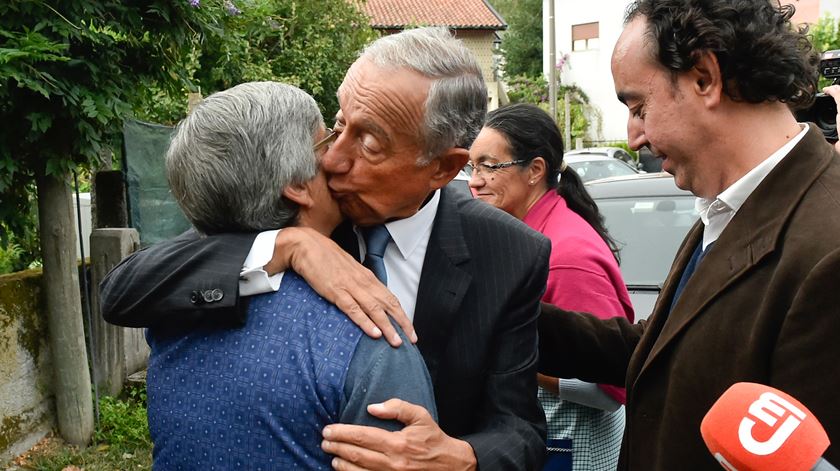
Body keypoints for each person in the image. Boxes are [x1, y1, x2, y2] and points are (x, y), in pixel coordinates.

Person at [101, 28, 551, 470]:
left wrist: (462, 458)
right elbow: (124, 288)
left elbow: (521, 430)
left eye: (369, 142)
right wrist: (285, 244)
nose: (332, 158)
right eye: (338, 126)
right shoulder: (301, 213)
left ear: (442, 166)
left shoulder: (509, 251)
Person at [538, 0, 840, 469]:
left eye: (639, 106)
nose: (633, 136)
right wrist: (507, 313)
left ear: (704, 77)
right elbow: (663, 352)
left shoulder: (829, 249)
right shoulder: (727, 207)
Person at [143, 81, 436, 469]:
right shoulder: (369, 341)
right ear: (297, 185)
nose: (337, 155)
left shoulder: (170, 314)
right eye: (327, 140)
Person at [468, 103, 633, 471]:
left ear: (535, 170)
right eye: (472, 166)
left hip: (572, 452)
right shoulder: (525, 235)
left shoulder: (566, 256)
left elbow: (610, 391)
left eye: (489, 166)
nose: (475, 180)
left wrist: (512, 360)